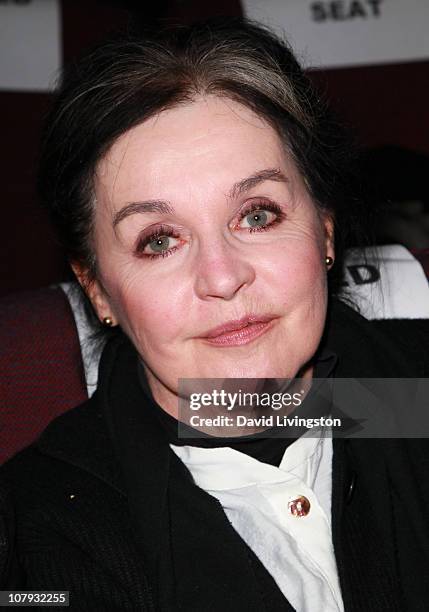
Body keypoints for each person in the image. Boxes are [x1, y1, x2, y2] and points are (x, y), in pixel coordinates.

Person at [1, 18, 429, 612]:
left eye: (257, 215)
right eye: (159, 240)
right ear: (97, 288)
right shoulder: (29, 534)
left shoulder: (414, 395)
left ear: (325, 229)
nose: (223, 277)